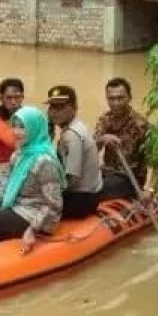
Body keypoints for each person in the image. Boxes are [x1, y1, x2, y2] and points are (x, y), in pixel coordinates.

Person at [0, 106, 64, 253]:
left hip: (32, 214)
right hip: (16, 205)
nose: (16, 132)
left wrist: (33, 230)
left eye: (22, 127)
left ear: (35, 128)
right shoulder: (19, 155)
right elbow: (5, 189)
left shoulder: (44, 161)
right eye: (14, 126)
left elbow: (54, 204)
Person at [45, 85, 103, 219]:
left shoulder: (72, 135)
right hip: (89, 195)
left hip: (80, 200)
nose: (54, 112)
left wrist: (48, 191)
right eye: (52, 107)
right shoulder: (78, 126)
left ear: (73, 108)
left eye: (60, 107)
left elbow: (72, 179)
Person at [94, 77, 150, 199]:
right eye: (111, 99)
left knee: (96, 190)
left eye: (120, 98)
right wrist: (103, 139)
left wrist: (151, 189)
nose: (116, 103)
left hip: (130, 178)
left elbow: (155, 161)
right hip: (107, 172)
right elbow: (92, 148)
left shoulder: (140, 124)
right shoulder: (105, 118)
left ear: (129, 97)